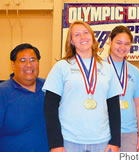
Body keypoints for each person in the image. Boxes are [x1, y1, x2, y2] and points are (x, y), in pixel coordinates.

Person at [43, 21, 122, 152]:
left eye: (86, 33)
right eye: (77, 34)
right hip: (69, 141)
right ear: (72, 41)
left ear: (92, 37)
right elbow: (50, 108)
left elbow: (114, 108)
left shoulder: (107, 69)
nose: (83, 37)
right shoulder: (62, 67)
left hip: (102, 141)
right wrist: (55, 144)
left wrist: (115, 141)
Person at [0, 43, 49, 151]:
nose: (28, 65)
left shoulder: (49, 88)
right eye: (22, 60)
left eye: (33, 60)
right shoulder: (2, 93)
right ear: (13, 65)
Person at [106, 25, 139, 152]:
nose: (122, 47)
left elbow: (138, 104)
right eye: (118, 42)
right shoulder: (99, 68)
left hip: (129, 132)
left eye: (127, 44)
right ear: (110, 41)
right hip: (104, 131)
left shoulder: (134, 71)